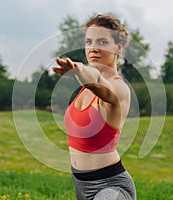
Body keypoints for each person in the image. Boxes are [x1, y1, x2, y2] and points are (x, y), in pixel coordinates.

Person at [53, 14, 136, 200]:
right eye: (89, 42)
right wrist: (81, 72)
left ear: (118, 48)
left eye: (103, 42)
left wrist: (78, 70)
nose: (93, 48)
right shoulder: (85, 89)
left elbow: (99, 82)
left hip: (111, 187)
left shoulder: (119, 88)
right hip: (81, 185)